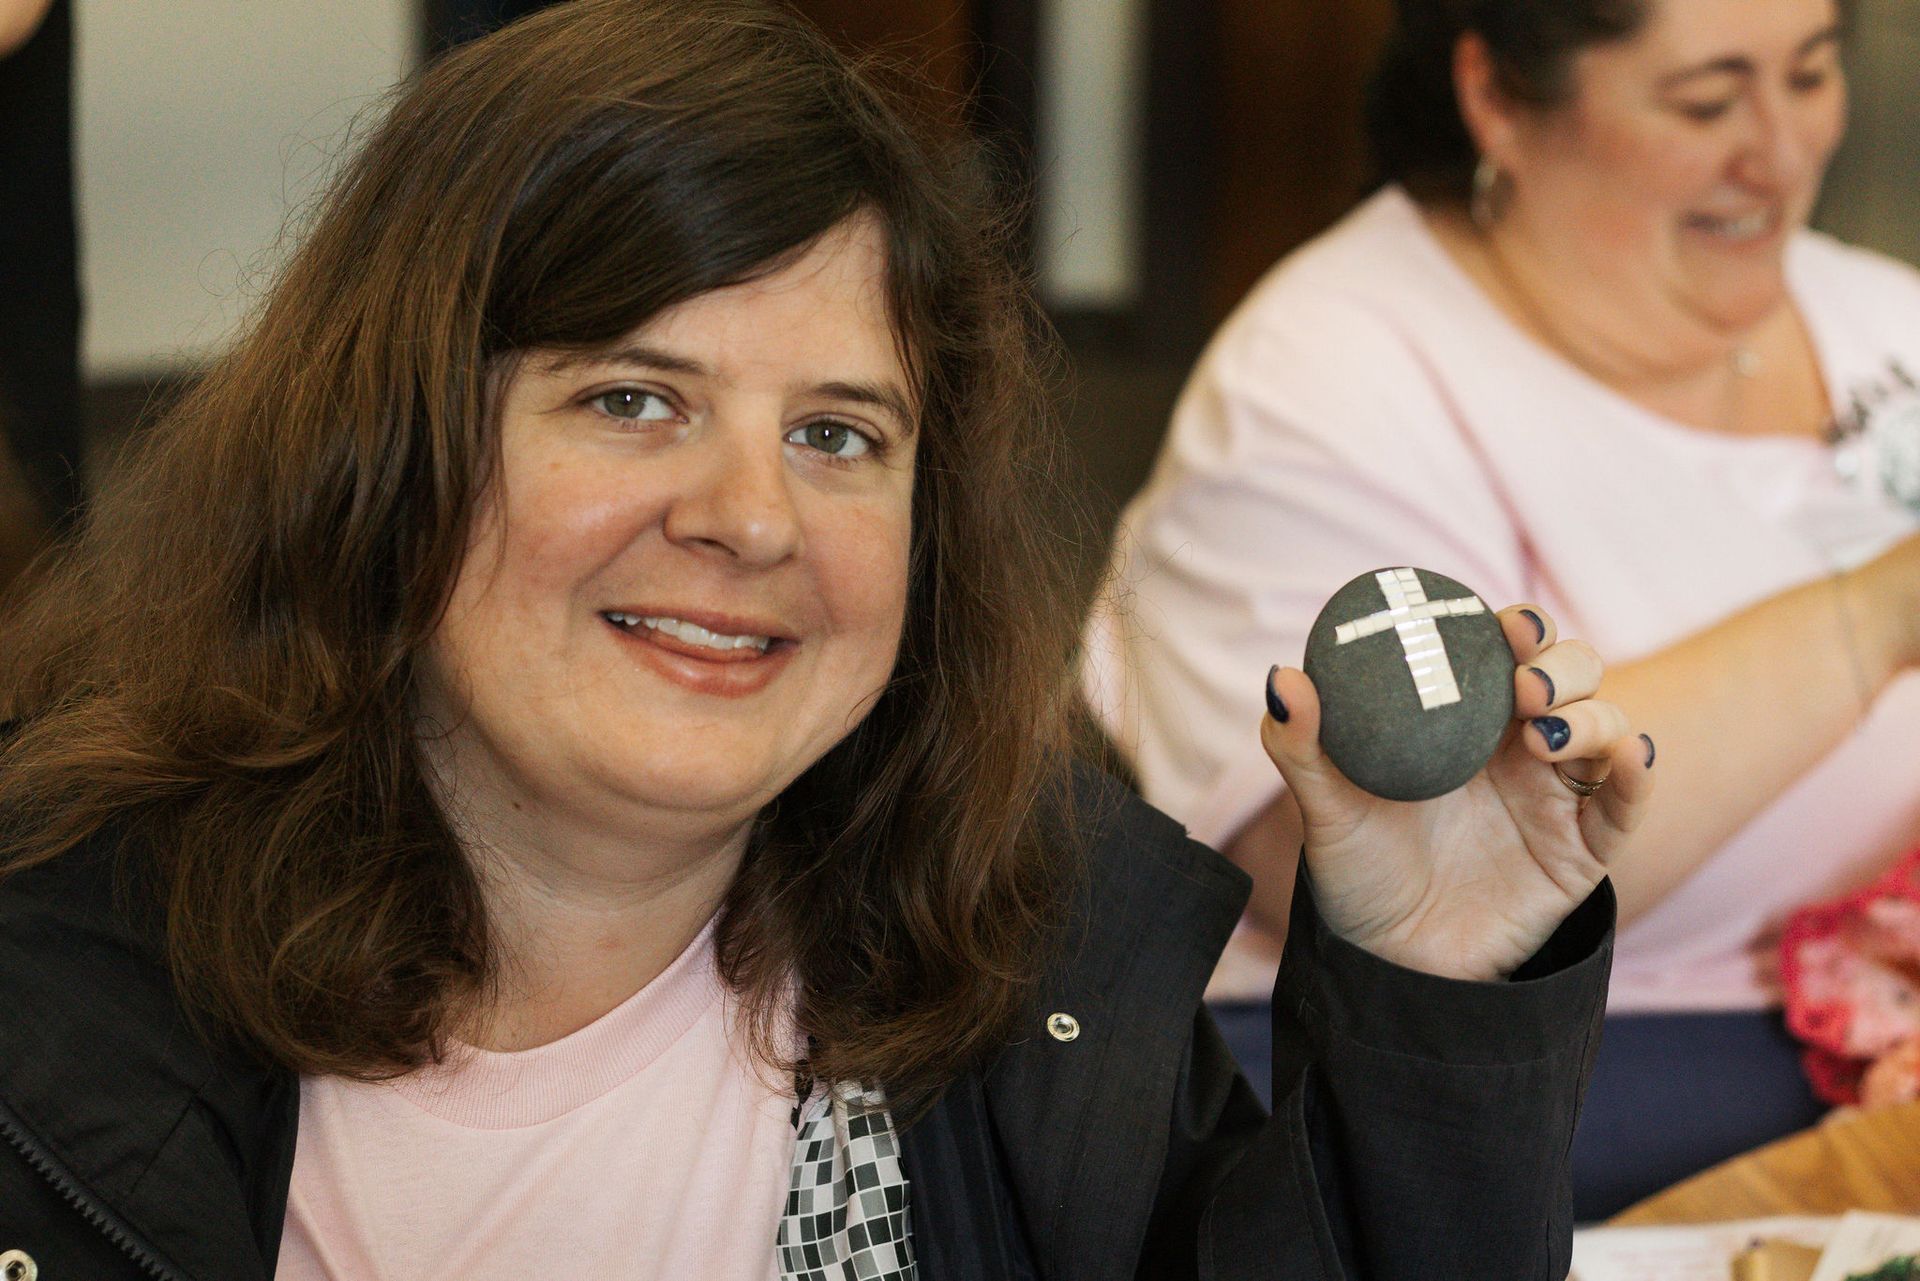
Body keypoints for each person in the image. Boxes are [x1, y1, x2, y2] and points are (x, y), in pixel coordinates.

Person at [0, 2, 1654, 1276]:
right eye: (634, 399)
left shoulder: (1040, 955)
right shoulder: (59, 980)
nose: (753, 518)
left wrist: (1438, 999)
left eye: (841, 434)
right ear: (392, 447)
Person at [1085, 0, 1920, 1221]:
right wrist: (1881, 615)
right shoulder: (1332, 377)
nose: (1781, 151)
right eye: (1705, 99)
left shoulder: (1881, 317)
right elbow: (1380, 858)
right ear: (1499, 99)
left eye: (1811, 74)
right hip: (1516, 1093)